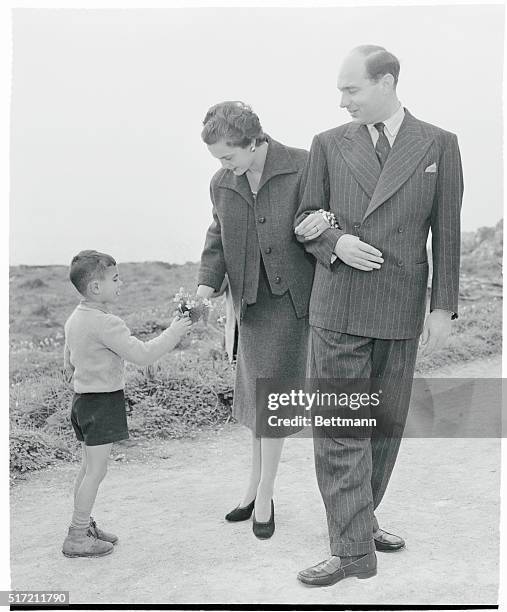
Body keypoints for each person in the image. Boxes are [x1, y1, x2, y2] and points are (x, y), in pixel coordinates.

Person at [294, 46, 463, 585]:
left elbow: (448, 233)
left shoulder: (439, 143)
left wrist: (442, 307)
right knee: (343, 427)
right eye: (340, 92)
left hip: (400, 305)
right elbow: (304, 216)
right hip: (339, 305)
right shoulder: (326, 145)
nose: (342, 101)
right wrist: (336, 243)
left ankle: (359, 521)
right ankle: (351, 551)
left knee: (385, 426)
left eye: (351, 90)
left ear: (386, 82)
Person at [197, 101, 314, 539]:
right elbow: (216, 239)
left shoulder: (302, 164)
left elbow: (323, 224)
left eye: (229, 155)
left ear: (253, 142)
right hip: (249, 303)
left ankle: (265, 493)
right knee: (256, 400)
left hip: (292, 302)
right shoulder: (221, 182)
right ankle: (253, 489)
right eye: (219, 159)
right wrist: (204, 291)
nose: (224, 165)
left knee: (274, 401)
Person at [62, 250, 192, 557]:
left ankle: (84, 525)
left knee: (87, 468)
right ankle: (77, 536)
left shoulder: (75, 318)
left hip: (82, 402)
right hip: (102, 404)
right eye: (116, 278)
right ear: (95, 287)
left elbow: (68, 359)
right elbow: (143, 354)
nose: (122, 283)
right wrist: (174, 331)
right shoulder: (107, 324)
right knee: (96, 471)